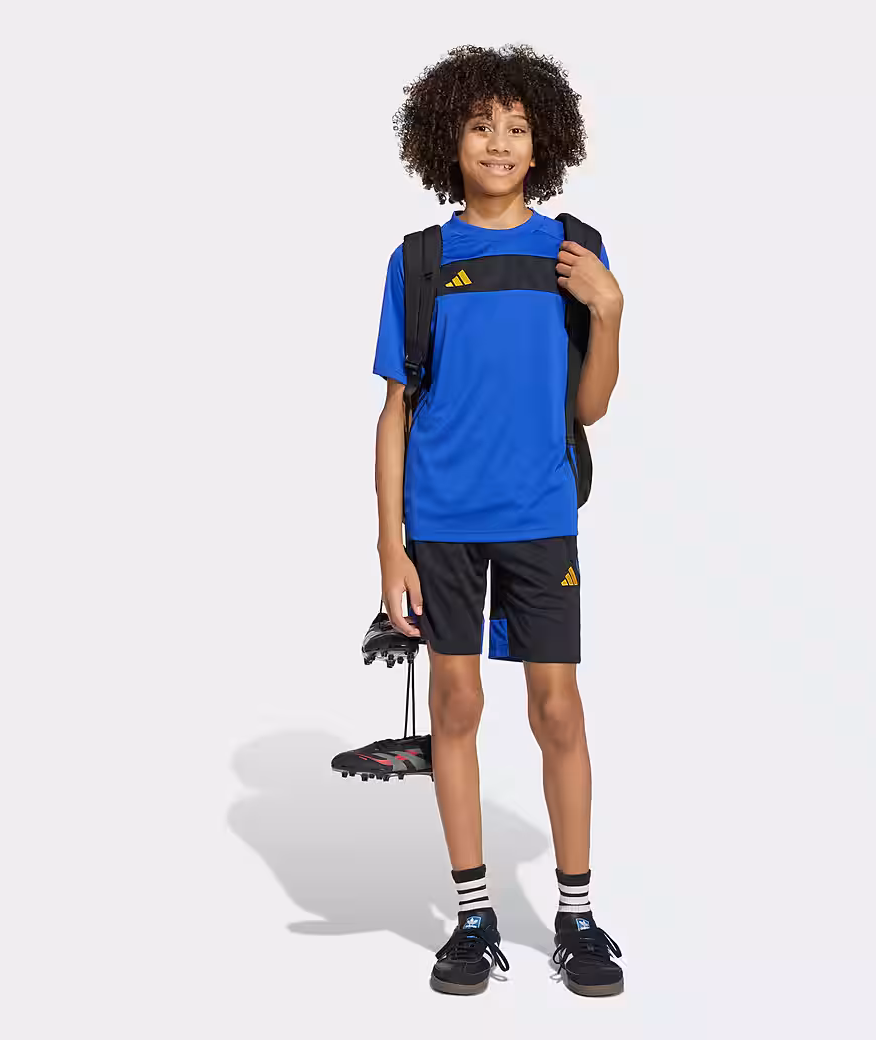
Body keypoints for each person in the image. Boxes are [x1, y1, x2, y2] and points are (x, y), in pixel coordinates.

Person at [371, 43, 624, 997]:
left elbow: (589, 407)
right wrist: (389, 544)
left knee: (557, 709)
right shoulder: (420, 261)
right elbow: (395, 411)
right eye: (481, 126)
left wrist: (610, 312)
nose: (500, 143)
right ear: (449, 139)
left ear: (542, 141)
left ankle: (577, 915)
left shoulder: (573, 252)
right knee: (455, 705)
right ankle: (474, 917)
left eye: (517, 127)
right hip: (440, 521)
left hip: (539, 516)